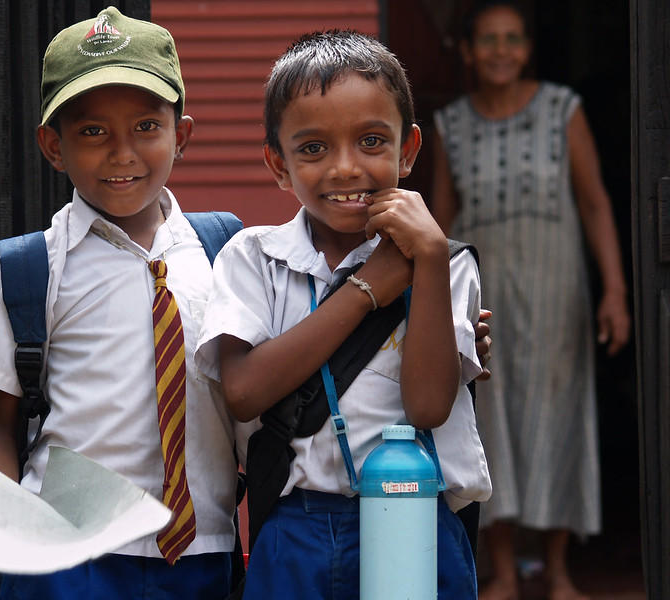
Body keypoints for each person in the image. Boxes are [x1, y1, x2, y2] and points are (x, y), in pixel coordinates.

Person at [195, 30, 492, 600]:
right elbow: (244, 390)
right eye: (313, 149)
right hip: (296, 529)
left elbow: (429, 407)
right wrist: (367, 288)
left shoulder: (445, 262)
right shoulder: (254, 258)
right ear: (277, 164)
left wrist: (426, 261)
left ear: (408, 150)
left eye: (372, 141)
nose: (345, 168)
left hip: (417, 521)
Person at [0, 8, 238, 599]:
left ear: (182, 136)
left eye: (146, 126)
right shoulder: (33, 267)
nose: (123, 153)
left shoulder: (225, 253)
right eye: (93, 132)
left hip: (199, 554)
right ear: (53, 146)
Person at [430, 3, 631, 599]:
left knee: (559, 413)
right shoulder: (448, 124)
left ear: (527, 48)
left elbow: (594, 202)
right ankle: (504, 573)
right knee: (490, 417)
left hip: (556, 287)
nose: (500, 50)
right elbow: (439, 220)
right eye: (487, 39)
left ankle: (560, 570)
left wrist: (615, 290)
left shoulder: (561, 108)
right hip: (484, 291)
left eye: (512, 39)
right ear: (467, 50)